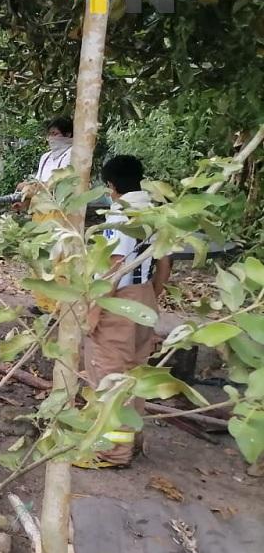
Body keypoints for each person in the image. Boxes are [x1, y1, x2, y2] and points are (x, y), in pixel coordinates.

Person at [80, 154, 170, 468]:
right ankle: (133, 438)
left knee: (110, 378)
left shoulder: (120, 216)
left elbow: (114, 267)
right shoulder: (155, 212)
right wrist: (151, 296)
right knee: (135, 373)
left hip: (116, 301)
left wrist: (94, 310)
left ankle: (112, 451)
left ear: (111, 185)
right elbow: (165, 262)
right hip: (143, 297)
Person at [17, 117, 74, 313]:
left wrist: (32, 187)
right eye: (49, 134)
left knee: (56, 260)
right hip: (38, 211)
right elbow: (38, 183)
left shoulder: (73, 154)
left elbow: (57, 184)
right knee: (38, 257)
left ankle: (57, 307)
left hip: (58, 212)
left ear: (68, 135)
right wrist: (24, 199)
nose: (51, 138)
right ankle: (43, 304)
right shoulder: (46, 157)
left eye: (55, 134)